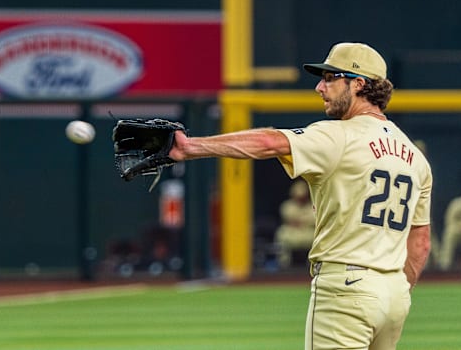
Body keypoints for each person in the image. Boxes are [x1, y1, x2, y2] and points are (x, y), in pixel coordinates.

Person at [168, 42, 432, 349]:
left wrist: (189, 147)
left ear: (358, 84)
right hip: (394, 292)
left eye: (331, 78)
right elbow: (421, 242)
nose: (320, 87)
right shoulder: (415, 157)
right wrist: (398, 289)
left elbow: (269, 141)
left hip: (347, 287)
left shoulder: (339, 136)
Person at [274, 178, 315, 269]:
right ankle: (283, 264)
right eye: (298, 196)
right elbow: (289, 220)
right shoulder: (287, 205)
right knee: (282, 233)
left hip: (307, 232)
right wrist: (303, 221)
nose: (300, 198)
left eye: (302, 196)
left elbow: (313, 220)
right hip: (292, 232)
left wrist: (301, 221)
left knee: (317, 236)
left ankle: (312, 263)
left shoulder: (312, 205)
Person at [437, 193, 461, 271]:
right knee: (450, 232)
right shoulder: (459, 203)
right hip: (459, 231)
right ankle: (445, 265)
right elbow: (449, 220)